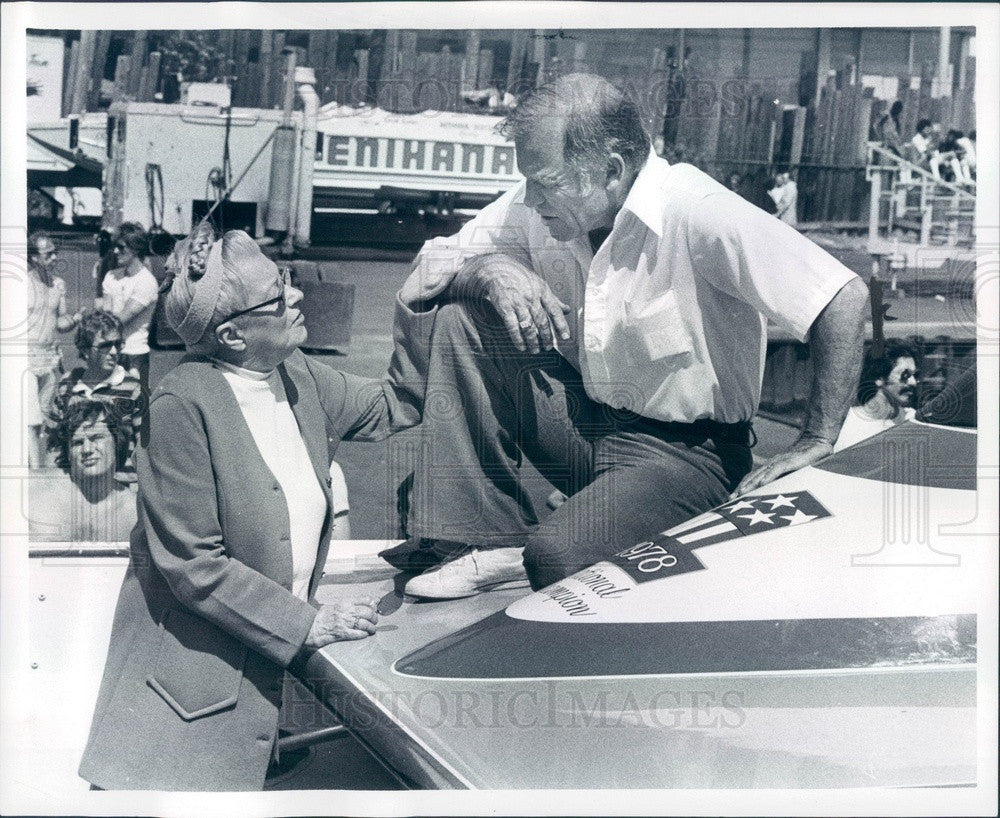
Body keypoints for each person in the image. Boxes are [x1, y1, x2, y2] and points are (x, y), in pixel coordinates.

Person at [385, 73, 868, 598]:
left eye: (545, 181)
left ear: (611, 171)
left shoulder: (697, 211)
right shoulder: (540, 206)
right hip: (587, 426)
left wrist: (818, 438)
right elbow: (434, 263)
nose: (529, 197)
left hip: (686, 454)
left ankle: (544, 542)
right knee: (465, 317)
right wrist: (489, 270)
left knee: (558, 561)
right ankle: (481, 538)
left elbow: (841, 297)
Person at [78, 223, 429, 791]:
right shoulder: (179, 403)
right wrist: (308, 621)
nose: (296, 294)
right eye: (277, 293)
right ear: (234, 336)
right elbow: (194, 566)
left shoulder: (298, 376)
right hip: (181, 714)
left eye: (285, 279)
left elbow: (396, 405)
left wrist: (417, 305)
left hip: (265, 699)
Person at [46, 309, 142, 469]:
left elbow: (144, 448)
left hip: (120, 485)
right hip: (75, 486)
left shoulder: (132, 387)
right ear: (84, 349)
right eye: (105, 346)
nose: (113, 352)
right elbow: (54, 443)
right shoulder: (67, 384)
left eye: (118, 344)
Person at [29, 400, 137, 542]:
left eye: (97, 438)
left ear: (118, 442)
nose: (87, 449)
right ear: (68, 452)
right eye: (77, 443)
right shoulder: (32, 488)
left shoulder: (135, 511)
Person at [24, 231, 82, 467]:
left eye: (54, 252)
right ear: (34, 257)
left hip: (48, 358)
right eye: (48, 253)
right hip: (24, 357)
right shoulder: (21, 283)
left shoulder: (59, 285)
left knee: (46, 414)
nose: (54, 256)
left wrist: (76, 319)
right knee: (32, 417)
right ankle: (33, 470)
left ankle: (41, 465)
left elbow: (60, 322)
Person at [96, 222, 158, 438]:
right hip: (112, 352)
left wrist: (102, 321)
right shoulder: (111, 276)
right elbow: (106, 316)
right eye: (115, 246)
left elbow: (119, 319)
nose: (115, 251)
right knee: (113, 411)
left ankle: (141, 466)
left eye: (121, 247)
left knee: (136, 413)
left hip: (135, 355)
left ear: (135, 249)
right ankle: (116, 464)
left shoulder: (147, 282)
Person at [833, 341, 920, 452]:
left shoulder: (912, 420)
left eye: (915, 375)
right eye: (905, 375)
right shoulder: (846, 423)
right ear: (879, 377)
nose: (913, 382)